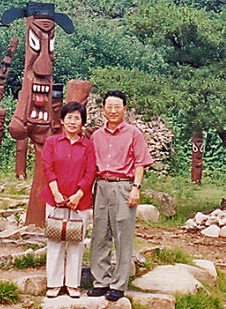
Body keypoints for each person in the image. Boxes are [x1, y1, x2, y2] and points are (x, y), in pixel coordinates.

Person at [89, 90, 153, 302]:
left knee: (122, 235)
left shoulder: (134, 133)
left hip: (124, 186)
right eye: (109, 107)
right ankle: (101, 281)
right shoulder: (97, 136)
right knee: (99, 234)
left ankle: (118, 284)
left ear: (124, 109)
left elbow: (140, 162)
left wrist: (136, 187)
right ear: (103, 109)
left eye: (117, 107)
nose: (113, 111)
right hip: (101, 185)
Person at [41, 100, 96, 298]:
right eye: (69, 117)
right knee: (55, 240)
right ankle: (54, 284)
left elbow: (90, 172)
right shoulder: (52, 142)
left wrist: (78, 194)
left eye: (77, 118)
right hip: (54, 199)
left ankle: (73, 283)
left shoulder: (88, 146)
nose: (73, 122)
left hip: (80, 201)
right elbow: (48, 168)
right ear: (62, 120)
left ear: (82, 123)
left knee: (76, 242)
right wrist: (56, 193)